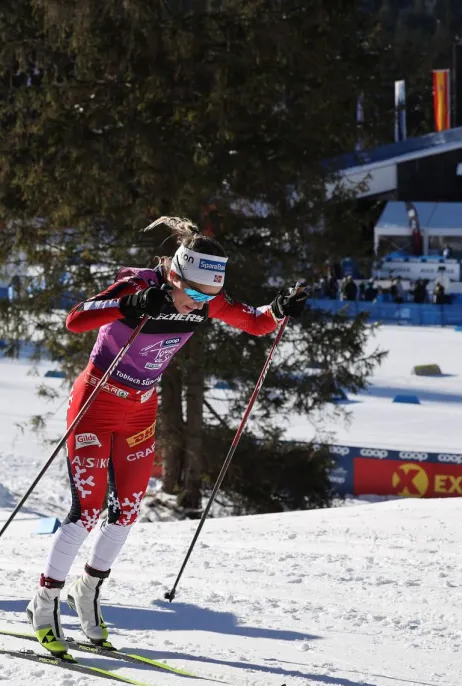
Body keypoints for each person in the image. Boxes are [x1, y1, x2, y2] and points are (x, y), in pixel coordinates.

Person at [26, 216, 308, 656]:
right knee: (87, 510)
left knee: (127, 513)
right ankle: (43, 603)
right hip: (96, 403)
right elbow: (76, 320)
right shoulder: (135, 284)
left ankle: (88, 590)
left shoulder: (203, 297)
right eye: (192, 294)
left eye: (207, 298)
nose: (197, 305)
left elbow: (253, 323)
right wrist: (132, 304)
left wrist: (279, 309)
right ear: (174, 274)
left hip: (139, 410)